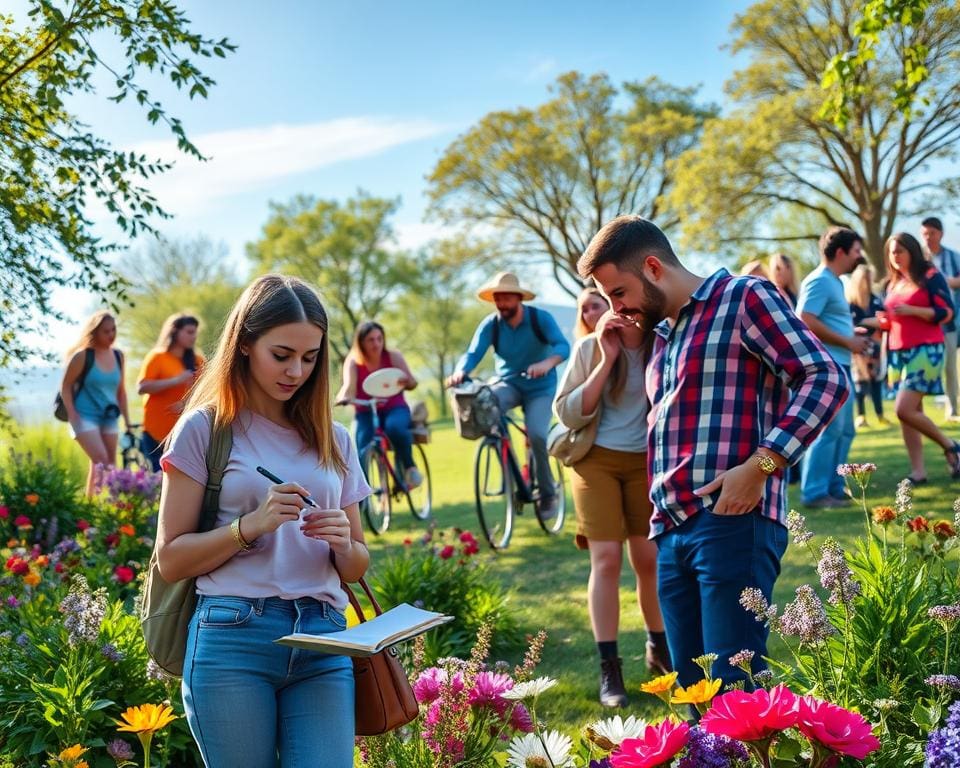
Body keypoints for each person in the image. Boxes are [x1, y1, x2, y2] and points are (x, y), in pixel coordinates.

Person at [577, 215, 848, 692]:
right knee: (695, 693)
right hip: (670, 532)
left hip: (732, 522)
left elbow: (825, 379)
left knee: (734, 693)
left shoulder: (745, 298)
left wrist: (762, 465)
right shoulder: (663, 335)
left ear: (654, 268)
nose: (615, 308)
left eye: (619, 293)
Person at [156, 275, 370, 767]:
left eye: (310, 357)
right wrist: (249, 526)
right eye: (282, 355)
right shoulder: (205, 430)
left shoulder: (335, 439)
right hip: (233, 637)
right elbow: (170, 559)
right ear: (246, 344)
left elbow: (357, 565)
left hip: (324, 639)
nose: (297, 370)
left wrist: (342, 543)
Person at [554, 306, 669, 708]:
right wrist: (606, 358)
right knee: (605, 560)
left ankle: (659, 647)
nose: (614, 307)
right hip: (595, 459)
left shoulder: (665, 340)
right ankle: (610, 667)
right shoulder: (589, 348)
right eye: (590, 304)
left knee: (648, 558)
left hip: (645, 462)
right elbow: (567, 412)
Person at [446, 272, 570, 519]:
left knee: (536, 434)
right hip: (509, 384)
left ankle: (548, 494)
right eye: (498, 299)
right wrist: (461, 372)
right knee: (486, 402)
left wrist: (546, 364)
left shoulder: (539, 319)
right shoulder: (491, 325)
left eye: (506, 298)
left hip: (540, 387)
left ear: (518, 298)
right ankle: (508, 464)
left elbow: (562, 346)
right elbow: (473, 353)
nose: (501, 304)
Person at [876, 233, 959, 483]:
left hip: (926, 350)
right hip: (898, 352)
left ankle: (951, 445)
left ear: (911, 250)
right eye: (891, 252)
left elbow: (947, 312)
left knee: (904, 409)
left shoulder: (931, 276)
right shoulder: (892, 283)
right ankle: (919, 472)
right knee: (911, 412)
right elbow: (891, 319)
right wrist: (878, 322)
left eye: (900, 251)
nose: (895, 256)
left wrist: (914, 310)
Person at [796, 226, 869, 508]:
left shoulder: (836, 282)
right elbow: (804, 318)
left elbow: (825, 319)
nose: (858, 257)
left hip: (842, 364)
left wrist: (852, 336)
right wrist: (846, 341)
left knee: (846, 430)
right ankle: (814, 493)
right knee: (829, 430)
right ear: (840, 252)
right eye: (855, 251)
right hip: (828, 366)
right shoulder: (820, 280)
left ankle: (835, 488)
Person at [335, 321, 422, 489]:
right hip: (366, 411)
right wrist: (341, 398)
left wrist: (407, 381)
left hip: (395, 407)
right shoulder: (353, 362)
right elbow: (348, 388)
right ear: (361, 342)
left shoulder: (393, 357)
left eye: (379, 339)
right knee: (362, 448)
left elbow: (412, 383)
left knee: (395, 427)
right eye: (371, 340)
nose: (376, 343)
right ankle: (361, 495)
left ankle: (410, 468)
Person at [59, 311, 130, 497]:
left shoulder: (118, 356)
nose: (111, 335)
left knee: (109, 464)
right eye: (106, 331)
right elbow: (65, 386)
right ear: (95, 332)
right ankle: (105, 505)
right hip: (84, 416)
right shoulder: (82, 356)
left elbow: (121, 392)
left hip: (109, 416)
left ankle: (92, 504)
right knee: (101, 460)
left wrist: (128, 422)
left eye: (114, 329)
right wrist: (73, 415)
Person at [137, 314, 204, 471]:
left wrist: (186, 404)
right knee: (157, 478)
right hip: (155, 431)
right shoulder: (157, 357)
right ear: (175, 331)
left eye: (195, 332)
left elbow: (208, 392)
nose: (193, 336)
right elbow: (142, 387)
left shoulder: (198, 361)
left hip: (184, 432)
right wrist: (175, 380)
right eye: (189, 332)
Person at [920, 217, 960, 422]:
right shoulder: (919, 260)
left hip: (949, 322)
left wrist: (942, 282)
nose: (928, 238)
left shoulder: (953, 257)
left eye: (931, 233)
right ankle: (919, 411)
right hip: (925, 323)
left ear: (940, 234)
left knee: (950, 367)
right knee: (926, 367)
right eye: (924, 234)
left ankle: (953, 409)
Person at [845, 265, 887, 428]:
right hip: (858, 347)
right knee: (860, 381)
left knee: (877, 380)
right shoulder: (851, 303)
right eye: (865, 279)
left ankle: (880, 414)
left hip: (875, 345)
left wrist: (872, 322)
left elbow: (884, 319)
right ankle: (861, 416)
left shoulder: (875, 299)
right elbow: (853, 323)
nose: (868, 282)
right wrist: (871, 321)